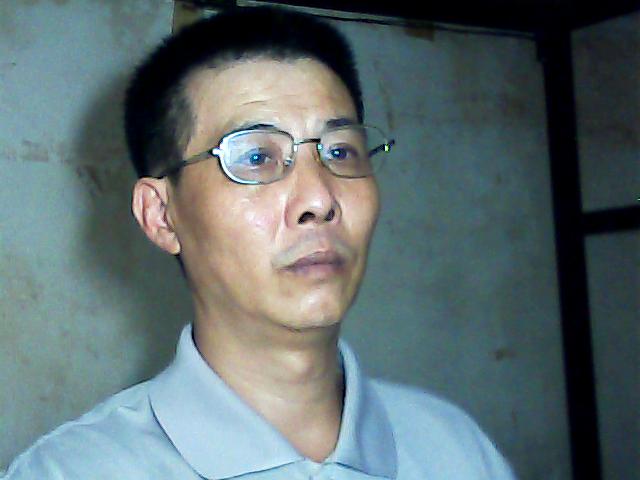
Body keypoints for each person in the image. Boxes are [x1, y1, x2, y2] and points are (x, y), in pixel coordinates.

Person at [3, 7, 516, 479]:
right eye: (255, 158)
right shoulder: (69, 472)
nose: (319, 198)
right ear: (161, 215)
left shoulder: (456, 450)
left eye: (340, 151)